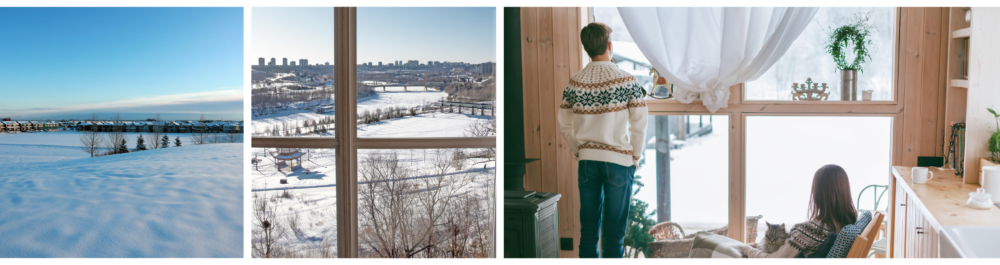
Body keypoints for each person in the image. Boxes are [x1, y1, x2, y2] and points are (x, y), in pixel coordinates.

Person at [557, 22, 648, 258]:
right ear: (609, 45)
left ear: (587, 48)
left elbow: (564, 123)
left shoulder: (575, 82)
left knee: (588, 233)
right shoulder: (627, 80)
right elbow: (639, 122)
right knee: (615, 236)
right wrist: (635, 155)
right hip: (619, 163)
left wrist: (580, 150)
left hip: (587, 162)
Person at [743, 164, 859, 258]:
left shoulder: (810, 230)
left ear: (818, 194)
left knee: (728, 246)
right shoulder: (851, 223)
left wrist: (746, 249)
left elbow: (774, 259)